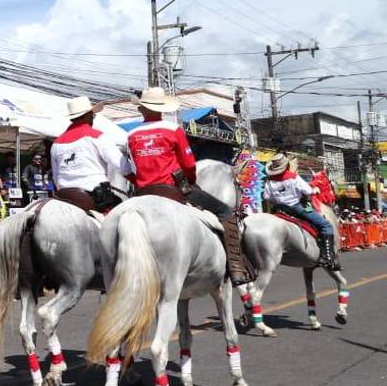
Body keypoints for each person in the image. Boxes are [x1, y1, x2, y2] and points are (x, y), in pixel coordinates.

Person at [126, 87, 252, 287]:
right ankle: (236, 269)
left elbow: (129, 168)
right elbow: (188, 164)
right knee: (226, 211)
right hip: (173, 188)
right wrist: (191, 181)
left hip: (142, 193)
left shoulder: (131, 135)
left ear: (142, 109)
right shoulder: (172, 129)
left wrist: (139, 182)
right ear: (161, 108)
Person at [50, 96, 130, 213]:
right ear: (88, 115)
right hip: (94, 197)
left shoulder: (56, 144)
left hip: (64, 197)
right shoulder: (97, 136)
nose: (93, 118)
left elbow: (56, 178)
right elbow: (122, 166)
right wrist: (136, 178)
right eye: (93, 115)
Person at [264, 153, 339, 269]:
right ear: (286, 166)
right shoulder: (293, 177)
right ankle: (328, 257)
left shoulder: (269, 181)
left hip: (280, 210)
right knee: (326, 226)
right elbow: (307, 191)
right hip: (297, 208)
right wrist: (315, 190)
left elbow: (267, 197)